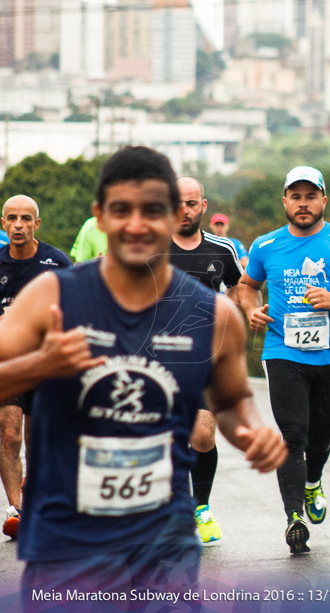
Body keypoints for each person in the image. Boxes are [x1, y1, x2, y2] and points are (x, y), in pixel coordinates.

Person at [0, 145, 285, 604]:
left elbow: (231, 402)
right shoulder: (51, 298)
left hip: (163, 536)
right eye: (121, 210)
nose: (136, 224)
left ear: (173, 215)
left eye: (152, 210)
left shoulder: (214, 316)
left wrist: (251, 432)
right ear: (100, 217)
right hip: (71, 538)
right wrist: (40, 366)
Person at [237, 166, 330, 555]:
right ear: (285, 201)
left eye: (310, 196)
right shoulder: (266, 246)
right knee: (293, 434)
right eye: (296, 196)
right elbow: (246, 286)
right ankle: (294, 516)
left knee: (320, 438)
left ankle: (313, 480)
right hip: (282, 351)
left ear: (323, 200)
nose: (303, 204)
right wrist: (251, 310)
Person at [170, 177, 245, 545]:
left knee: (201, 434)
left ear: (203, 206)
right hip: (157, 358)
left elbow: (238, 288)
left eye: (191, 203)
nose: (184, 210)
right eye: (178, 203)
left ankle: (201, 508)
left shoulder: (222, 248)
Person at [0, 195, 72, 541]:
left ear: (36, 224)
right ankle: (16, 510)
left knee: (37, 441)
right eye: (12, 218)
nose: (18, 225)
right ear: (3, 223)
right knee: (8, 434)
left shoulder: (56, 262)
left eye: (26, 219)